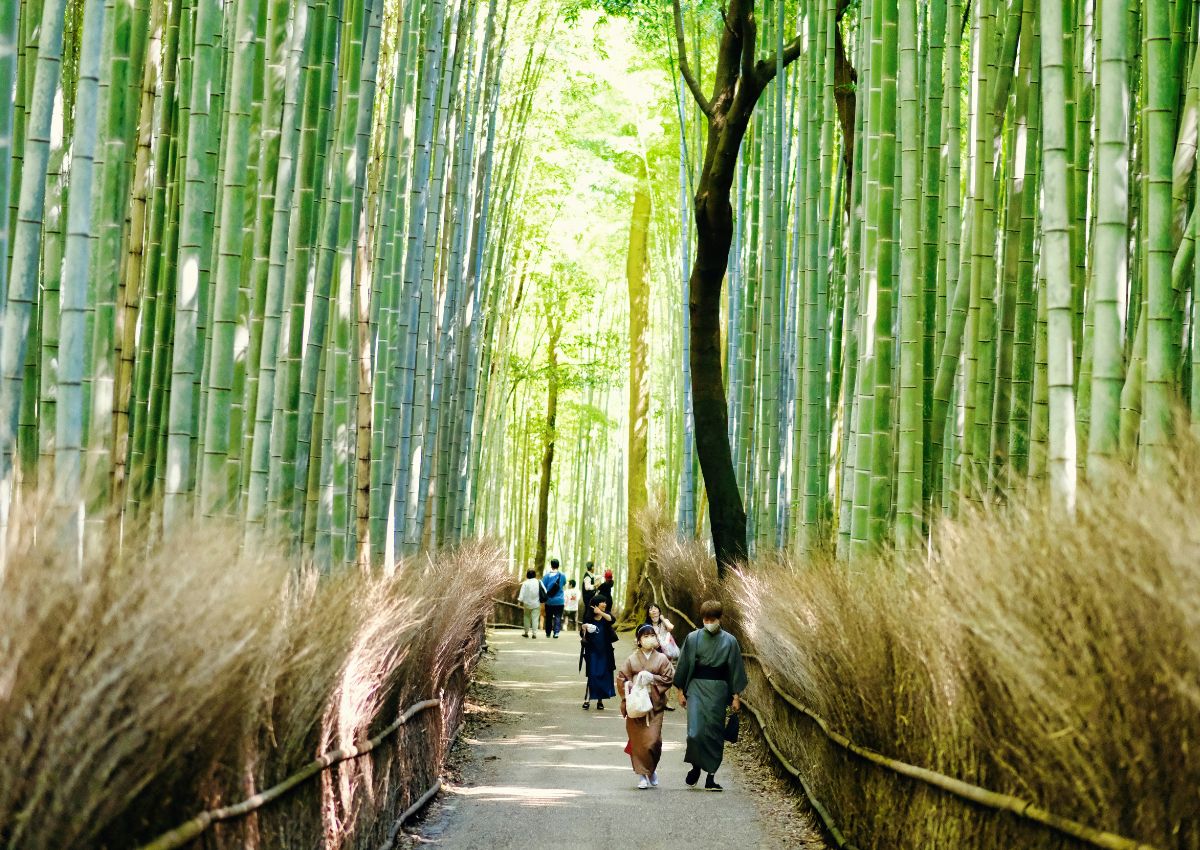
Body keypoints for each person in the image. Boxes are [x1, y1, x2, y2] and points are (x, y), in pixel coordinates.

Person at [674, 599, 747, 791]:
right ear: (702, 618)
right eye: (706, 619)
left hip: (719, 690)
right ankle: (696, 766)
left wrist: (736, 695)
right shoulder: (693, 638)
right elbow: (683, 665)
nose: (709, 622)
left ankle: (711, 776)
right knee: (695, 732)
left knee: (715, 733)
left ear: (719, 619)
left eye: (712, 619)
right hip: (696, 687)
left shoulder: (730, 641)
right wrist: (680, 690)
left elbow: (735, 669)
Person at [617, 624, 675, 789]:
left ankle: (651, 769)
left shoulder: (662, 659)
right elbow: (621, 678)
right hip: (636, 704)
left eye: (652, 635)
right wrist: (631, 685)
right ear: (639, 640)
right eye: (645, 636)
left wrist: (652, 678)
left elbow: (669, 677)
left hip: (654, 705)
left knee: (653, 741)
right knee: (638, 742)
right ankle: (641, 775)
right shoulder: (631, 659)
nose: (649, 639)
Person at [578, 598, 617, 710]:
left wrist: (600, 612)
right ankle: (587, 699)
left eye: (605, 602)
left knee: (604, 675)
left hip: (605, 651)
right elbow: (582, 634)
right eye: (602, 602)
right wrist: (583, 628)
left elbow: (612, 620)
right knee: (592, 675)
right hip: (592, 651)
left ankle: (600, 701)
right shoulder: (589, 617)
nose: (604, 603)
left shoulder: (606, 616)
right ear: (595, 604)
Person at [542, 559, 566, 638]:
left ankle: (548, 633)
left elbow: (543, 587)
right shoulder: (562, 575)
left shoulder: (546, 576)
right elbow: (564, 583)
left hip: (549, 601)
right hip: (560, 601)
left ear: (551, 566)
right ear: (558, 566)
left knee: (548, 617)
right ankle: (556, 633)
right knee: (558, 617)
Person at [517, 569, 542, 638]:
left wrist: (519, 602)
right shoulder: (538, 582)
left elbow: (522, 593)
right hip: (536, 603)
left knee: (526, 617)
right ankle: (534, 634)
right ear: (535, 575)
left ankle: (526, 632)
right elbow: (544, 591)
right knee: (535, 619)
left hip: (527, 604)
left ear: (527, 575)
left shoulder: (525, 583)